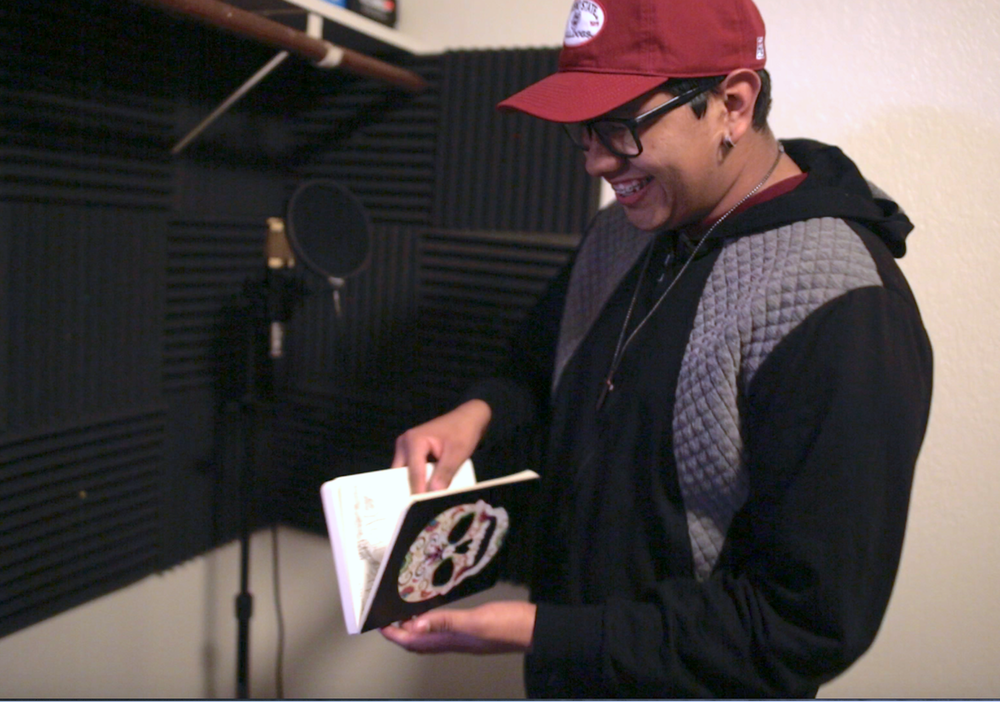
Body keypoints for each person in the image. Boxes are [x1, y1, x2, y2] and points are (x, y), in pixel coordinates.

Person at [380, 0, 933, 697]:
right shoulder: (622, 231)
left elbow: (801, 626)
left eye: (619, 127)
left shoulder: (845, 307)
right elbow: (537, 361)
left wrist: (538, 629)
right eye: (583, 130)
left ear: (731, 103)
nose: (595, 162)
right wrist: (479, 412)